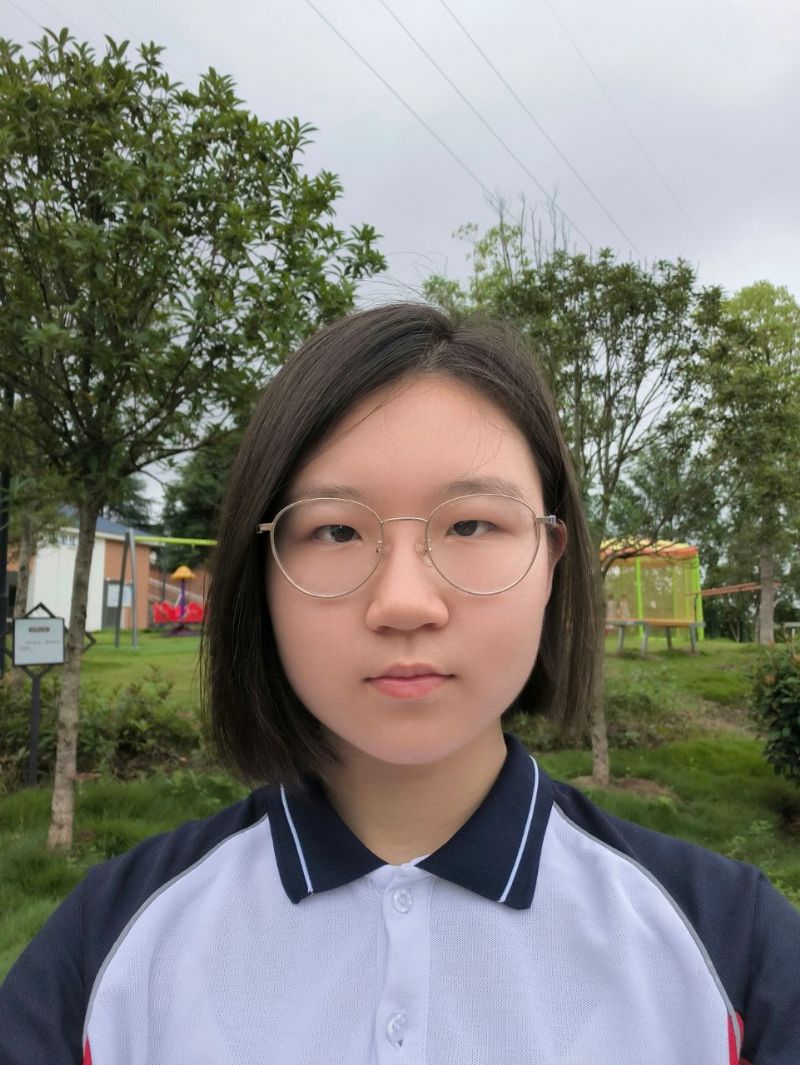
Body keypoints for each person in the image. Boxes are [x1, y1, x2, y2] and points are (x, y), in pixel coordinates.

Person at [1, 304, 798, 1064]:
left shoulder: (733, 949)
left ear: (552, 560)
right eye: (336, 529)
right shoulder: (108, 951)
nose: (405, 602)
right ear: (260, 569)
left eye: (472, 523)